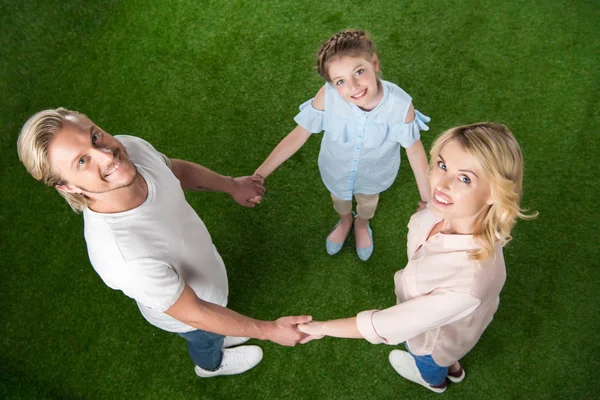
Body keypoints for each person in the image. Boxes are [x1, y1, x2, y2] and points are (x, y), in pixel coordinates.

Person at [17, 108, 312, 378]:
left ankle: (222, 333)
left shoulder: (128, 149)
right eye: (82, 161)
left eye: (94, 136)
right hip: (193, 315)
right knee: (205, 337)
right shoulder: (123, 258)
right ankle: (211, 364)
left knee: (217, 324)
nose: (107, 155)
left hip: (207, 275)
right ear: (67, 186)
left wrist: (231, 185)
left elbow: (174, 171)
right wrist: (270, 330)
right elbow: (196, 311)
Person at [297, 123, 537, 393]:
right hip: (458, 326)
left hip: (430, 341)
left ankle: (435, 382)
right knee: (450, 354)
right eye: (442, 165)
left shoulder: (468, 283)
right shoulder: (459, 214)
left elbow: (386, 324)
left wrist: (321, 328)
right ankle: (453, 368)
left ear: (495, 193)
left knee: (430, 361)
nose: (441, 185)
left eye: (465, 178)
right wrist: (436, 209)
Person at [253, 29, 431, 261]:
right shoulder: (327, 96)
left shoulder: (400, 105)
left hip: (374, 174)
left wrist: (428, 201)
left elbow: (415, 151)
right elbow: (298, 135)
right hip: (336, 169)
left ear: (374, 63)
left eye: (359, 71)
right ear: (332, 84)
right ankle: (345, 221)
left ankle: (361, 224)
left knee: (368, 203)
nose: (354, 86)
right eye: (340, 81)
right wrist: (259, 174)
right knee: (339, 200)